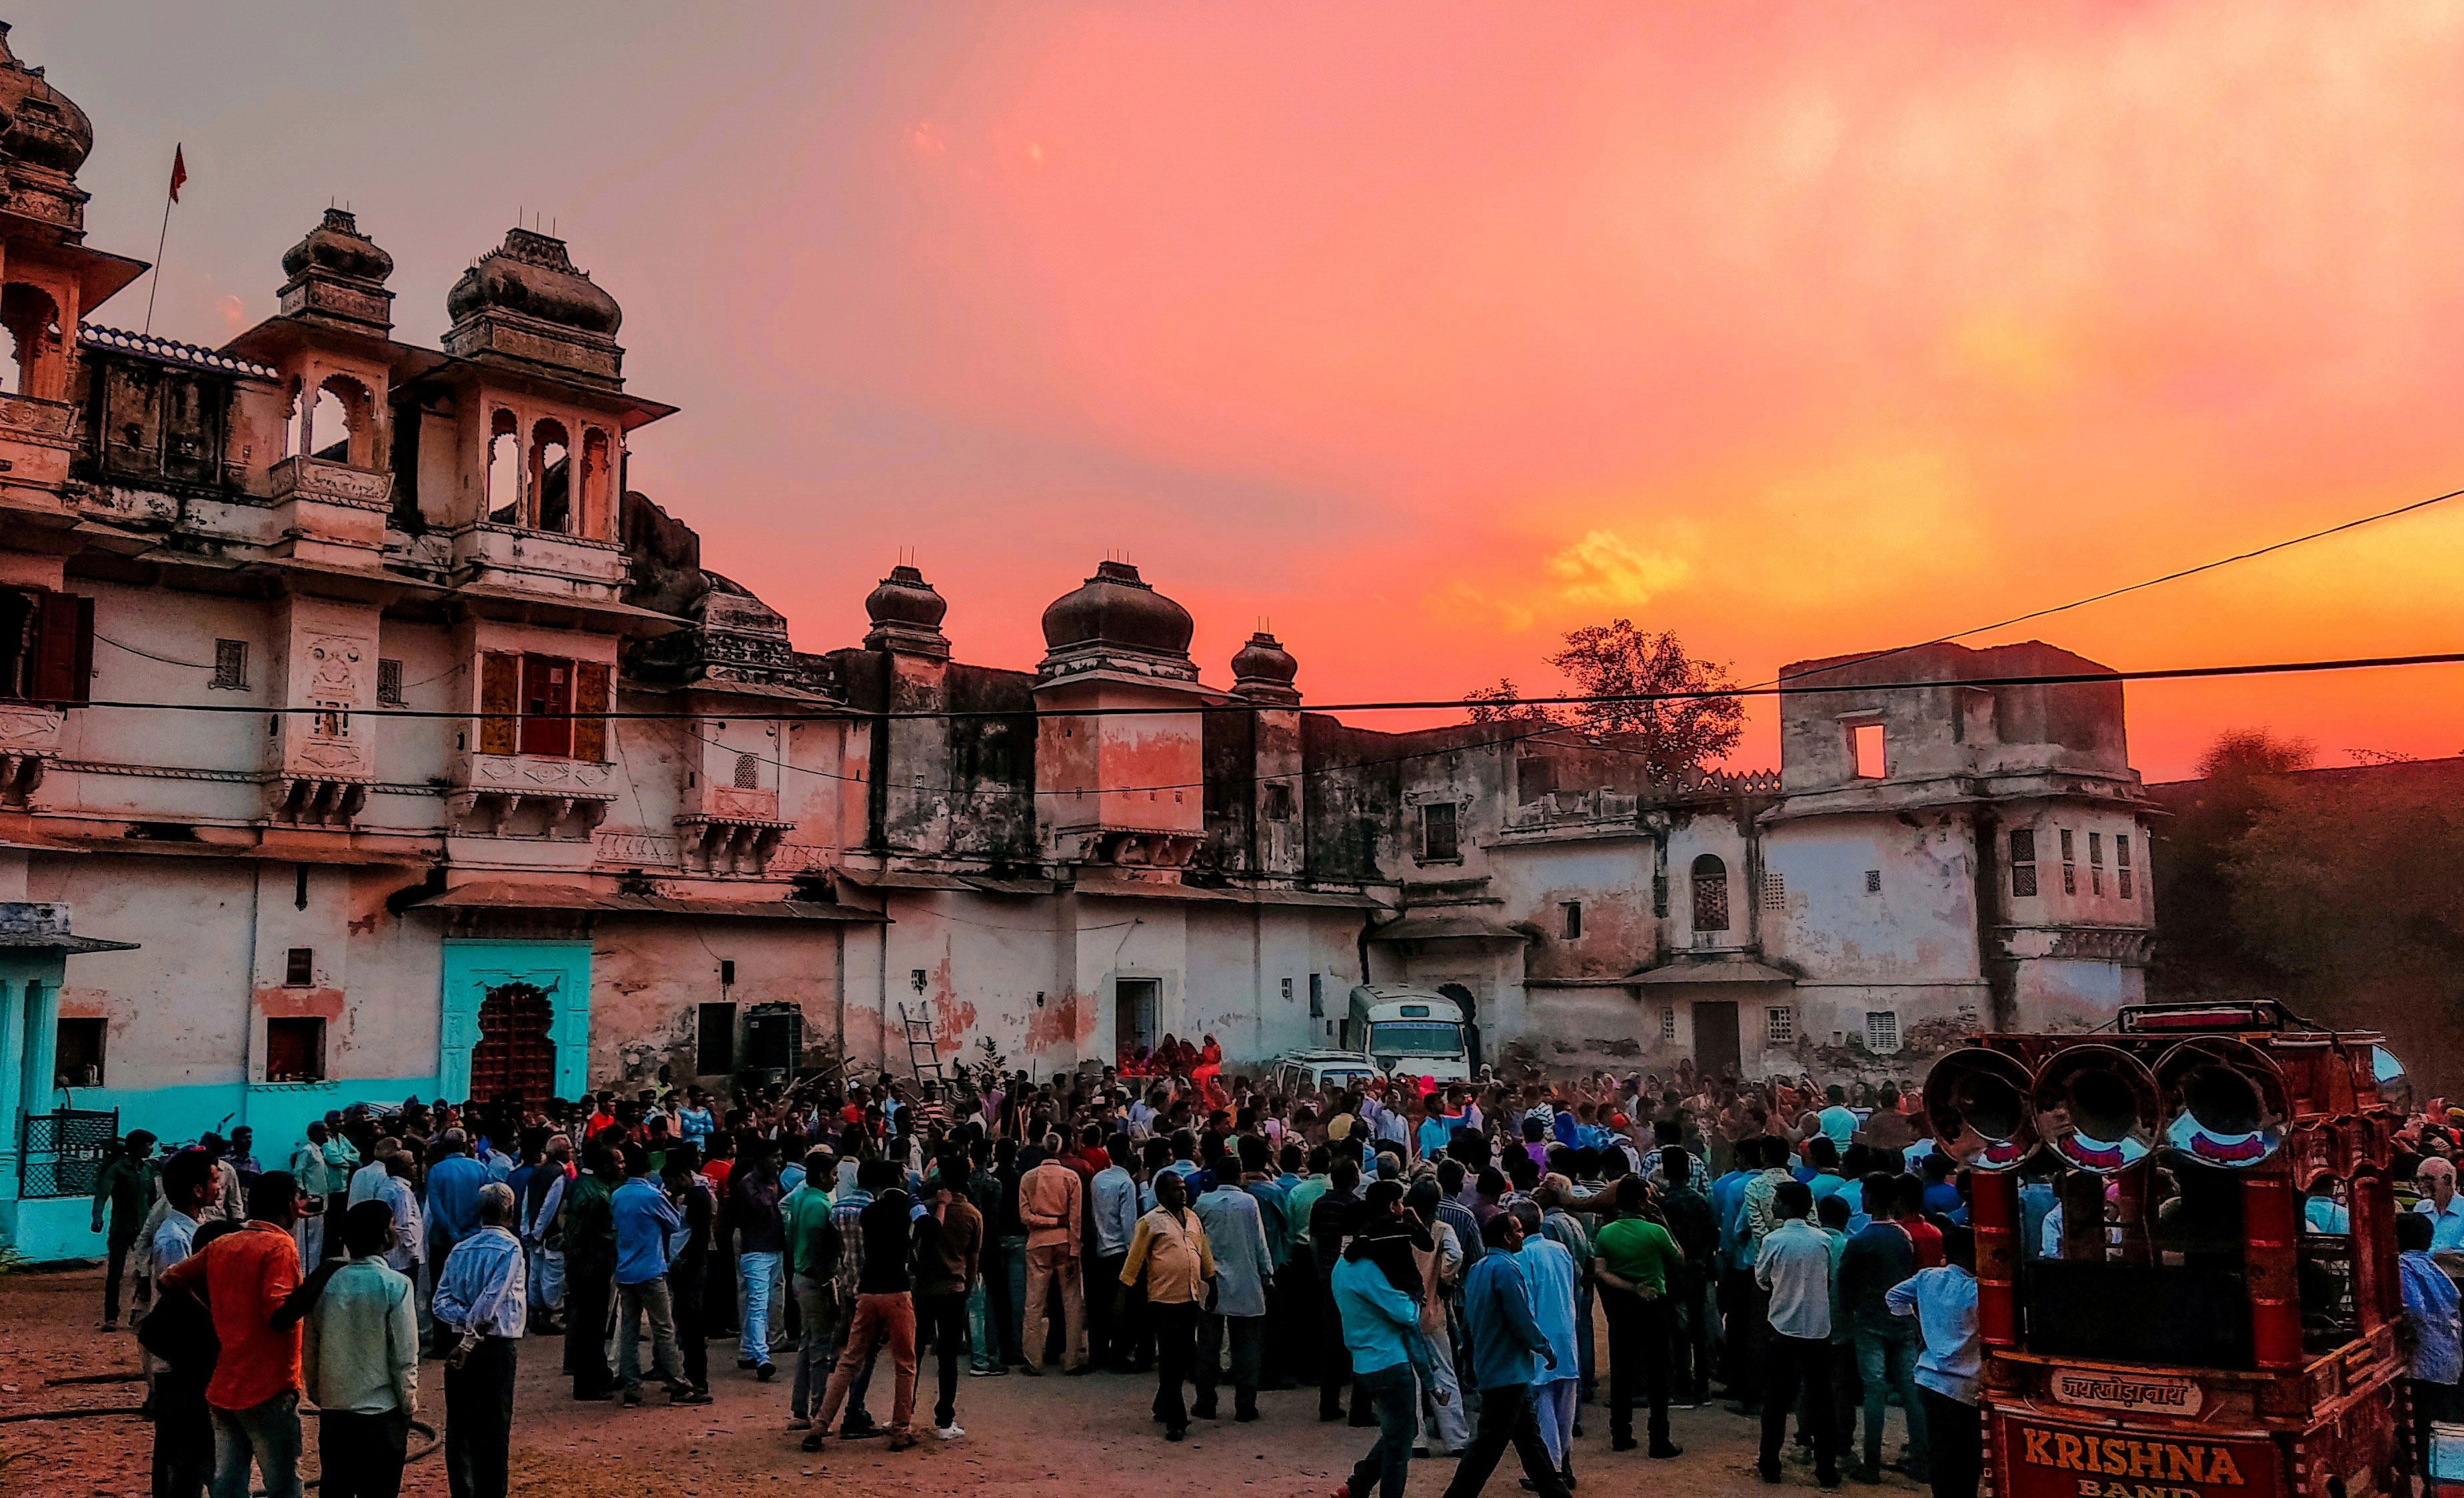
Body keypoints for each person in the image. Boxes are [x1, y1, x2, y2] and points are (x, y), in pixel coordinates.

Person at [159, 1170, 309, 1498]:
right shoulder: (279, 1246)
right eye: (298, 1201)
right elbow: (278, 1316)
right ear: (287, 1204)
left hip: (225, 1383)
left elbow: (169, 1280)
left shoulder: (223, 1244)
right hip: (268, 1384)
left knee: (228, 1480)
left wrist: (213, 1308)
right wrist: (316, 1284)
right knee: (283, 1481)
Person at [1438, 1211, 1571, 1498]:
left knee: (1529, 1442)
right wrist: (1544, 1347)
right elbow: (1520, 1318)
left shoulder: (1479, 1268)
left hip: (1494, 1366)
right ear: (1506, 1237)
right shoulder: (1508, 1269)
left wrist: (1469, 1354)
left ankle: (1556, 1493)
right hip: (1508, 1369)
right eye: (1518, 1231)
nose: (1522, 1235)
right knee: (1489, 1445)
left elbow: (1470, 1320)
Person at [301, 1201, 419, 1498]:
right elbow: (404, 1356)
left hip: (336, 1412)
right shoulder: (396, 1284)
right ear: (383, 1235)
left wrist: (319, 1393)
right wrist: (408, 1404)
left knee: (337, 1487)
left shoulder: (326, 1284)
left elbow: (311, 1347)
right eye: (392, 1225)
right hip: (381, 1414)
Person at [1328, 1180, 1434, 1498]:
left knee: (1399, 1432)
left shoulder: (1341, 1268)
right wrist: (1417, 1300)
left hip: (1365, 1360)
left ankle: (1358, 1484)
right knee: (1400, 1445)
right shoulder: (1366, 1271)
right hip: (1388, 1361)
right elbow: (1405, 1314)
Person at [811, 1158, 924, 1453]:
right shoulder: (907, 1208)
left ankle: (820, 1424)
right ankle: (901, 1429)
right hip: (897, 1290)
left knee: (849, 1360)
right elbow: (927, 1228)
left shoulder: (870, 1212)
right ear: (899, 1179)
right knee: (905, 1363)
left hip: (868, 1291)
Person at [433, 1183, 527, 1498]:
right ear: (510, 1212)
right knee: (494, 1427)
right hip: (493, 1348)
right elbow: (491, 1302)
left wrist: (463, 1323)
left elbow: (441, 1302)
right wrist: (472, 1332)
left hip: (460, 1343)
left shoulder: (460, 1249)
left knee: (460, 1426)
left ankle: (464, 1492)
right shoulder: (510, 1248)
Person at [145, 1149, 224, 1498]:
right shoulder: (175, 1237)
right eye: (214, 1179)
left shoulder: (195, 1230)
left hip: (190, 1351)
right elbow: (179, 1294)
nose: (219, 1186)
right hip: (178, 1355)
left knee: (189, 1446)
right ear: (197, 1189)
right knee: (179, 1449)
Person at [1840, 1175, 1928, 1484]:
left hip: (1870, 1320)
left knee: (1874, 1390)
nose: (1862, 1197)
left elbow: (1846, 1283)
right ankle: (1921, 1459)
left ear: (1873, 1199)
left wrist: (1850, 1310)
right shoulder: (1904, 1236)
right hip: (1902, 1321)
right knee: (1910, 1389)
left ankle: (1872, 1463)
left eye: (1866, 1193)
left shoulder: (1861, 1239)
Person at [1118, 1168, 1215, 1442]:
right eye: (1176, 1188)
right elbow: (1133, 1262)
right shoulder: (1150, 1222)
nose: (1182, 1192)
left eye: (1183, 1188)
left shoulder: (1194, 1219)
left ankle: (1163, 1404)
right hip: (1163, 1299)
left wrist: (1212, 1282)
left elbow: (1203, 1252)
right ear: (1162, 1194)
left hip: (1191, 1297)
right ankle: (1177, 1419)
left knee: (1182, 1356)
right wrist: (1122, 1298)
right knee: (1172, 1357)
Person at [1758, 1179, 1843, 1487]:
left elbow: (1762, 1278)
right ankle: (1826, 1470)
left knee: (1776, 1399)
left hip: (1783, 1326)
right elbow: (1830, 1278)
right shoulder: (1823, 1240)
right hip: (1818, 1328)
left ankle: (1770, 1463)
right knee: (1822, 1400)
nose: (1774, 1204)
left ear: (1788, 1206)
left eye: (1778, 1200)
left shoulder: (1774, 1240)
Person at [1887, 1224, 1982, 1498]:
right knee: (1966, 1458)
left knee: (1941, 1454)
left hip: (1930, 1380)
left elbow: (1893, 1298)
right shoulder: (1977, 1290)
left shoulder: (1927, 1277)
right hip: (1964, 1387)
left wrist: (1922, 1325)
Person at [1593, 1175, 1684, 1457]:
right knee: (1658, 1372)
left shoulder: (1606, 1233)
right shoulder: (1656, 1232)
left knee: (1621, 1369)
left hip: (1622, 1307)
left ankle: (1621, 1433)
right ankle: (1659, 1439)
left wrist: (1631, 1287)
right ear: (1643, 1201)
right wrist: (1664, 1223)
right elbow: (1679, 1258)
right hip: (1655, 1305)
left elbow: (1601, 1271)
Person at [609, 1143, 697, 1406]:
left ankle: (631, 1388)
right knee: (664, 1329)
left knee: (629, 1330)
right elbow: (673, 1222)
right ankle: (678, 1385)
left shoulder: (618, 1194)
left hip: (625, 1269)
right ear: (648, 1168)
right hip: (650, 1269)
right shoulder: (652, 1195)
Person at [1194, 1161, 1274, 1422]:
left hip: (1211, 1280)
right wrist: (1267, 1274)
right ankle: (1245, 1405)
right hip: (1245, 1279)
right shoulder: (1248, 1203)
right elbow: (1259, 1242)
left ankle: (1206, 1402)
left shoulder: (1203, 1204)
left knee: (1208, 1344)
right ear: (1240, 1175)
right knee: (1247, 1346)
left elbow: (1196, 1243)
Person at [914, 1155, 984, 1440]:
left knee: (914, 1354)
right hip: (954, 1289)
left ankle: (904, 1411)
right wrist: (967, 1288)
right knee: (948, 1358)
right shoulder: (972, 1215)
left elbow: (916, 1248)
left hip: (925, 1289)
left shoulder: (930, 1211)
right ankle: (945, 1420)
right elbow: (973, 1258)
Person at [782, 1147, 844, 1437]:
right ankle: (820, 1410)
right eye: (833, 1174)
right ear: (822, 1176)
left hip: (800, 1274)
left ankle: (800, 1408)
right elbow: (822, 1247)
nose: (836, 1179)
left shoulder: (802, 1198)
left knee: (808, 1344)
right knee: (820, 1348)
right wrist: (827, 1283)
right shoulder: (820, 1205)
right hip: (814, 1278)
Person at [2398, 1211, 2461, 1490]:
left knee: (2425, 1433)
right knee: (2444, 1430)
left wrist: (2409, 1337)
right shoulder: (2434, 1267)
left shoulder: (2403, 1266)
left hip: (2424, 1362)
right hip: (2448, 1358)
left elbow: (2411, 1309)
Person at [1016, 1135, 1090, 1375]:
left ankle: (1033, 1360)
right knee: (1072, 1303)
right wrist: (1074, 1250)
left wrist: (1046, 1221)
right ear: (1060, 1149)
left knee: (1034, 1304)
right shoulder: (1071, 1178)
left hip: (1038, 1243)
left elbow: (1025, 1217)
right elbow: (1076, 1220)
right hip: (1065, 1243)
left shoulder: (1028, 1178)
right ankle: (1072, 1360)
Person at [561, 1141, 620, 1401]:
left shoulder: (583, 1186)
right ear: (604, 1165)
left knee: (587, 1323)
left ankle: (596, 1376)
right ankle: (588, 1384)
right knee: (593, 1326)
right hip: (592, 1265)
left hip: (581, 1263)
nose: (622, 1166)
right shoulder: (598, 1195)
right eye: (618, 1162)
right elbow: (599, 1234)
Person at [662, 1141, 716, 1401]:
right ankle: (684, 1375)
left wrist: (682, 1260)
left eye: (673, 1182)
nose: (670, 1189)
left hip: (692, 1267)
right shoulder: (683, 1196)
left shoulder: (699, 1197)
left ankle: (698, 1380)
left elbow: (700, 1236)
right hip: (682, 1265)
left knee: (692, 1326)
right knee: (683, 1324)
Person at [729, 1138, 788, 1379]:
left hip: (773, 1248)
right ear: (761, 1159)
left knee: (766, 1301)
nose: (779, 1161)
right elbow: (763, 1206)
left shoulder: (772, 1181)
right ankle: (763, 1358)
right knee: (758, 1304)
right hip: (755, 1251)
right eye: (775, 1157)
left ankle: (747, 1351)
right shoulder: (748, 1184)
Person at [93, 1129, 158, 1329]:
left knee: (145, 1273)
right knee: (115, 1273)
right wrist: (97, 1217)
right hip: (121, 1227)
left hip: (143, 1229)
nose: (151, 1148)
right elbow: (102, 1194)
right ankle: (111, 1317)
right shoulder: (117, 1169)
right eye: (148, 1145)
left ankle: (139, 1313)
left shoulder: (147, 1170)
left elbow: (153, 1200)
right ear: (138, 1146)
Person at [2417, 1158, 2464, 1252]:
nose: (2420, 1185)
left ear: (2447, 1179)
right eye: (2418, 1180)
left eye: (2428, 1179)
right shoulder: (2421, 1208)